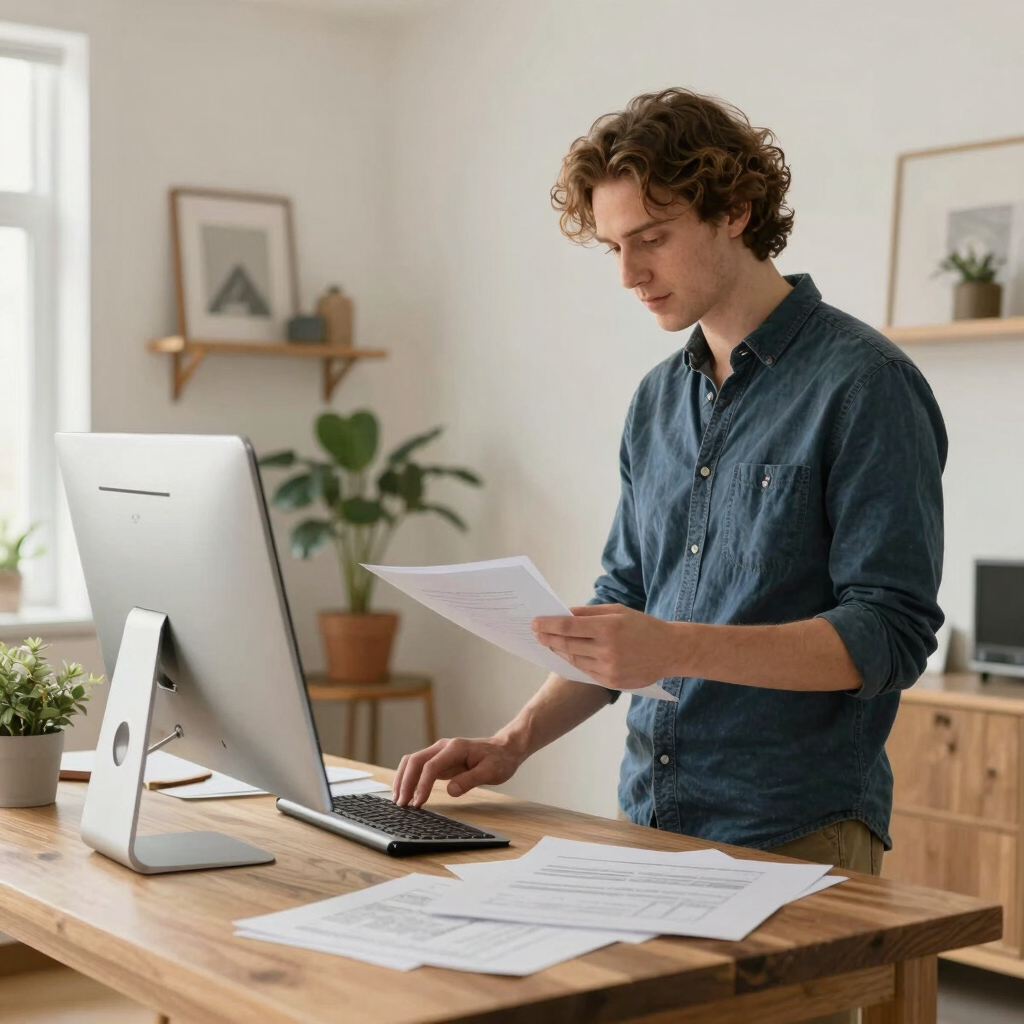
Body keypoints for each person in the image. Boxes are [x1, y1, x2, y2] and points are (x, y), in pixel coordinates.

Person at [393, 87, 945, 885]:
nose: (627, 273)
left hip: (794, 832)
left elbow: (887, 634)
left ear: (737, 211)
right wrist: (513, 741)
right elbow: (623, 604)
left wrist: (674, 646)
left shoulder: (867, 385)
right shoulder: (657, 399)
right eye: (613, 245)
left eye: (650, 238)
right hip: (647, 817)